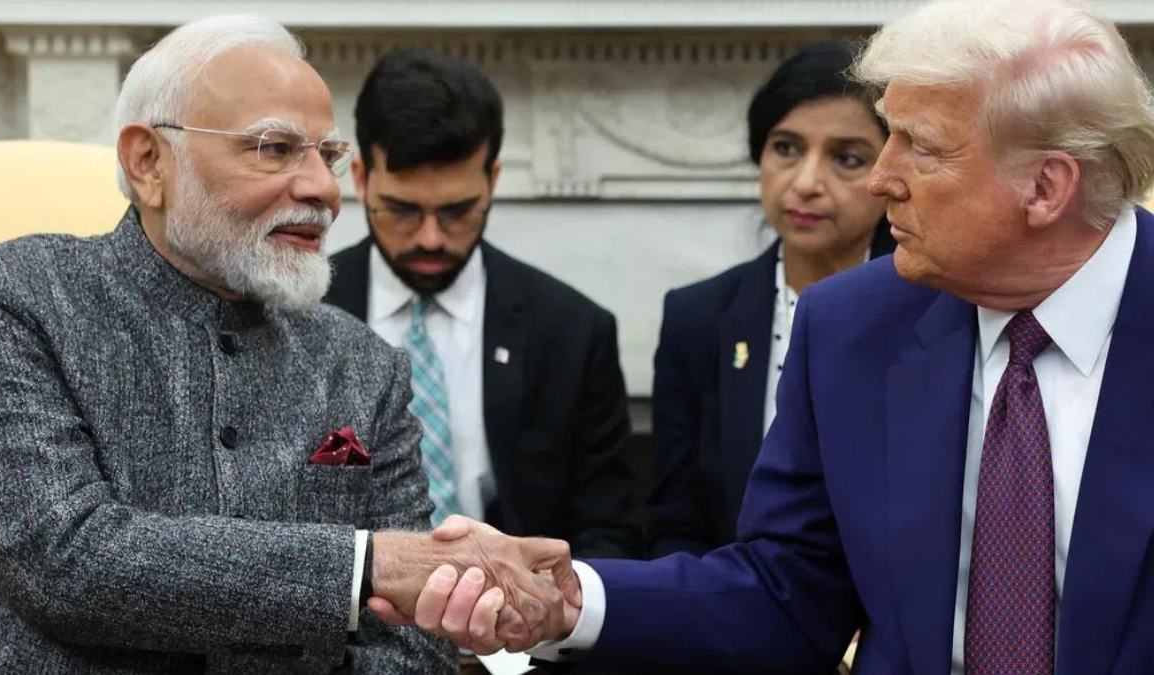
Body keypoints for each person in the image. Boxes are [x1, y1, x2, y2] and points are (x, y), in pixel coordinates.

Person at [378, 1, 1154, 673]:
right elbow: (787, 592)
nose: (881, 177)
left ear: (1046, 187)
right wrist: (570, 600)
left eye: (921, 146)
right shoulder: (852, 326)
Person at [0, 16, 576, 674]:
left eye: (327, 156)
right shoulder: (6, 300)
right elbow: (65, 560)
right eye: (275, 148)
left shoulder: (364, 365)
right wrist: (367, 564)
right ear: (148, 162)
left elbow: (414, 642)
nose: (324, 191)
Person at [325, 48, 643, 560]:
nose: (430, 238)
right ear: (360, 179)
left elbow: (608, 530)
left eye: (457, 212)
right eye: (403, 211)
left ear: (492, 181)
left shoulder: (572, 331)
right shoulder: (298, 316)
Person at [647, 40, 895, 558]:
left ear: (892, 174)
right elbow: (675, 525)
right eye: (785, 148)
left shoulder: (934, 307)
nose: (805, 183)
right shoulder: (699, 318)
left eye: (846, 158)